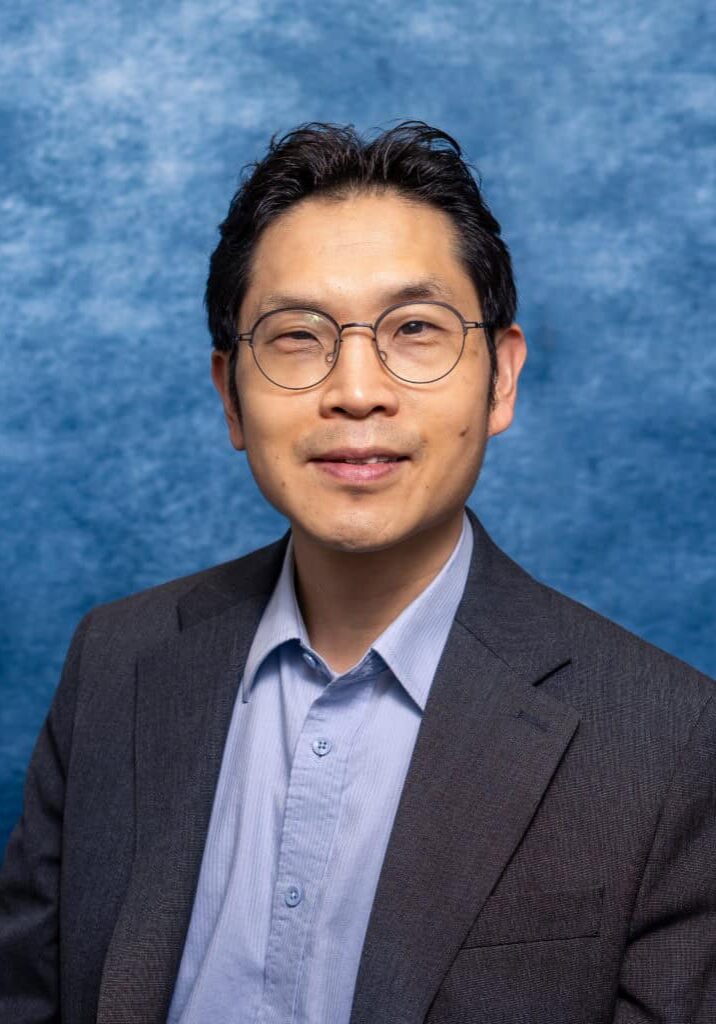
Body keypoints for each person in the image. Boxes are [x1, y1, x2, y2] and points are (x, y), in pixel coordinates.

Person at [1, 121, 714, 1024]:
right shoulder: (116, 660)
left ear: (500, 379)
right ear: (230, 394)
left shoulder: (669, 741)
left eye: (414, 328)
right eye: (297, 337)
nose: (357, 389)